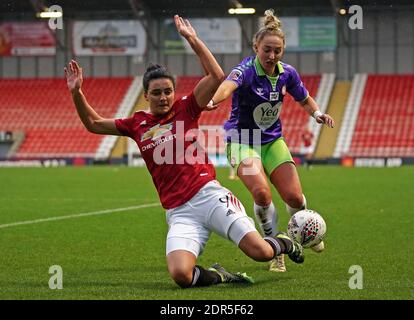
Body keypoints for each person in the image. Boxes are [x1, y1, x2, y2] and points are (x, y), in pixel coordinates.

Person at [65, 15, 304, 289]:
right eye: (156, 92)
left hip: (210, 197)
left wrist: (192, 39)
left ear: (174, 92)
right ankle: (221, 276)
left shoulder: (186, 108)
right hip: (179, 212)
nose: (163, 97)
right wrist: (76, 93)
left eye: (168, 91)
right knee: (181, 275)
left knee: (260, 252)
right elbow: (94, 124)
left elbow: (216, 76)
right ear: (146, 95)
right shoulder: (137, 124)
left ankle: (285, 243)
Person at [210, 9, 334, 272]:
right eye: (267, 49)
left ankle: (308, 231)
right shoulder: (244, 70)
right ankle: (277, 248)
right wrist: (214, 100)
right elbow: (227, 85)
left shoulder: (287, 73)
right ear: (256, 46)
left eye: (277, 50)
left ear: (283, 50)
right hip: (242, 140)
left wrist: (318, 113)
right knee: (262, 193)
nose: (272, 55)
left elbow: (304, 98)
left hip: (272, 141)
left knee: (295, 198)